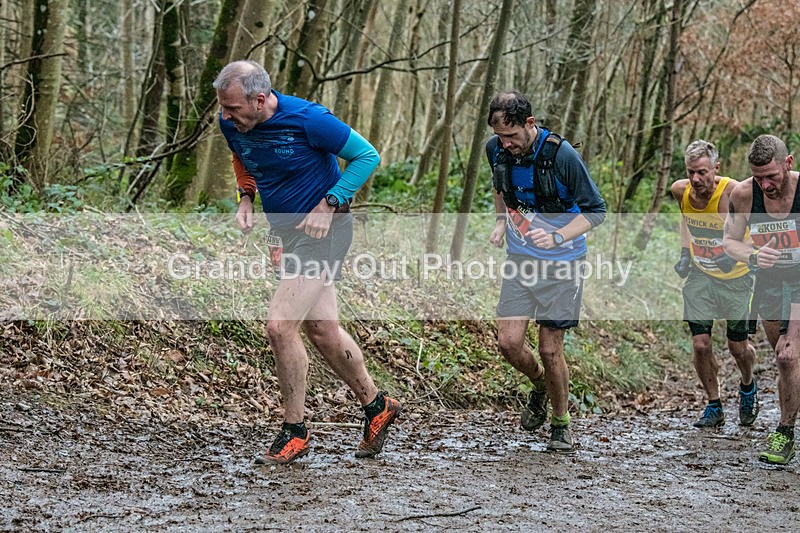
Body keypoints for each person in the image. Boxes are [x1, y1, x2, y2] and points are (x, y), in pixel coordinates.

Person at [213, 59, 401, 465]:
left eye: (232, 109)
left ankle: (294, 431)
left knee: (280, 327)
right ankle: (377, 405)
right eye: (223, 108)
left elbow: (367, 156)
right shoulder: (234, 123)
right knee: (323, 331)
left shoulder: (310, 120)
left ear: (260, 99)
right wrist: (246, 195)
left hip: (324, 232)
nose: (225, 117)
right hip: (287, 234)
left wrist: (330, 203)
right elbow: (240, 155)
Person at [486, 90, 606, 452]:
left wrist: (557, 236)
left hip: (563, 264)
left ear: (530, 124)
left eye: (512, 136)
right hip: (521, 260)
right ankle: (538, 384)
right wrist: (498, 221)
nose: (506, 144)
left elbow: (596, 210)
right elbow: (500, 188)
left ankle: (560, 422)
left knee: (551, 349)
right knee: (508, 343)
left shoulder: (562, 155)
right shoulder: (495, 150)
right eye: (500, 136)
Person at [723, 134, 800, 465]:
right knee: (785, 361)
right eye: (759, 178)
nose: (766, 185)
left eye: (772, 176)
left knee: (788, 357)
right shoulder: (743, 195)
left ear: (788, 163)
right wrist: (753, 255)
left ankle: (784, 432)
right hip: (769, 284)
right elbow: (728, 241)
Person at [671, 140, 758, 429]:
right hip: (701, 276)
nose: (696, 179)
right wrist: (686, 252)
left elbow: (755, 227)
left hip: (736, 280)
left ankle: (747, 385)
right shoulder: (680, 190)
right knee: (700, 344)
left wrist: (733, 256)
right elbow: (686, 217)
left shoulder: (734, 192)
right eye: (691, 171)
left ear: (716, 169)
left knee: (738, 347)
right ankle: (714, 404)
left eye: (703, 172)